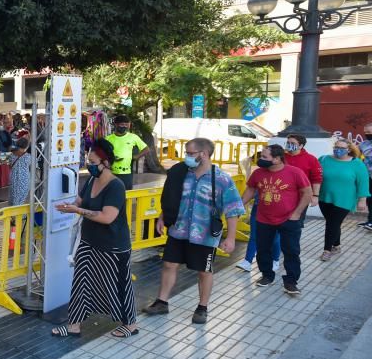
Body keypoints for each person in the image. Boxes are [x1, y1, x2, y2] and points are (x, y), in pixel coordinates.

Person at [144, 138, 244, 324]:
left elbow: (233, 210)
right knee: (168, 265)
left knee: (204, 271)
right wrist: (163, 216)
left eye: (190, 153)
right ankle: (161, 302)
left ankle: (202, 307)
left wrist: (230, 238)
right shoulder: (182, 174)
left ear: (203, 154)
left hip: (204, 236)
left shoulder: (221, 179)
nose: (186, 157)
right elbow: (172, 198)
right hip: (178, 230)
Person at [52, 139, 138, 338]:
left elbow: (108, 217)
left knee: (119, 284)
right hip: (89, 242)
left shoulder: (116, 186)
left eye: (92, 161)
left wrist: (78, 210)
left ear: (106, 162)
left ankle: (131, 324)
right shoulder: (91, 180)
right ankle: (73, 325)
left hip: (113, 246)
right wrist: (69, 206)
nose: (88, 165)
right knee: (80, 282)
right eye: (87, 160)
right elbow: (81, 201)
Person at [241, 145, 312, 295]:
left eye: (265, 157)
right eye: (261, 156)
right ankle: (267, 275)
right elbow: (251, 190)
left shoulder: (294, 172)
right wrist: (239, 206)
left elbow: (307, 192)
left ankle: (291, 282)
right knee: (263, 249)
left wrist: (297, 213)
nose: (261, 160)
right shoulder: (258, 173)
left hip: (289, 219)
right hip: (263, 218)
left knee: (291, 251)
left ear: (277, 159)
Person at [317, 138, 369, 260]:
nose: (338, 150)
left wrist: (362, 200)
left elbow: (363, 182)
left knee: (332, 223)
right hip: (325, 197)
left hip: (345, 199)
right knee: (334, 223)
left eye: (341, 148)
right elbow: (315, 175)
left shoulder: (356, 164)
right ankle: (337, 245)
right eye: (336, 147)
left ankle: (327, 250)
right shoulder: (324, 159)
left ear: (349, 149)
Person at [106, 114, 149, 190]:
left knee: (126, 194)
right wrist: (110, 157)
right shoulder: (108, 138)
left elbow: (146, 149)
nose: (124, 127)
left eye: (126, 125)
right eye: (122, 124)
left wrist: (136, 157)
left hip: (126, 173)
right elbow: (102, 153)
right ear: (116, 125)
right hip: (110, 172)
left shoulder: (133, 137)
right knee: (112, 192)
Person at [8, 137, 31, 206]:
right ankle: (19, 215)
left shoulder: (12, 155)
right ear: (26, 146)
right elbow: (33, 166)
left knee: (13, 198)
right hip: (24, 180)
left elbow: (9, 165)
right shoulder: (28, 156)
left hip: (13, 179)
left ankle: (12, 214)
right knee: (21, 200)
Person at [358, 122, 372, 230]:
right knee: (369, 199)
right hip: (368, 176)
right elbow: (355, 154)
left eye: (369, 132)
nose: (367, 134)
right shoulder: (363, 144)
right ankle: (370, 221)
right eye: (366, 132)